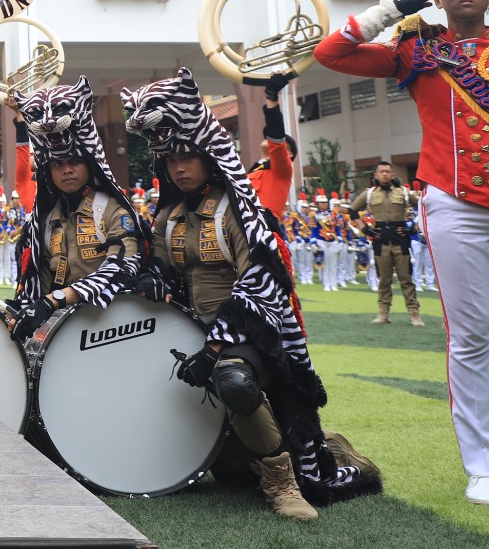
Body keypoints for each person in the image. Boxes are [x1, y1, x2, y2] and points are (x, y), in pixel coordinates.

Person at [314, 0, 489, 505]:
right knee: (471, 334)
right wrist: (395, 7)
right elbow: (330, 53)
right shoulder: (415, 51)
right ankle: (483, 467)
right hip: (455, 202)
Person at [124, 67, 381, 521]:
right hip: (190, 331)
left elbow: (260, 283)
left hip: (250, 335)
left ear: (208, 155)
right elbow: (162, 268)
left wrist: (217, 344)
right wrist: (152, 277)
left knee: (232, 380)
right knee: (229, 471)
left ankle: (283, 486)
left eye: (188, 157)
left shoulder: (239, 212)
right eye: (170, 160)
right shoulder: (167, 215)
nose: (179, 167)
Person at [4, 79, 143, 343]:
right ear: (48, 170)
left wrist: (56, 299)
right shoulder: (43, 221)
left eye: (76, 162)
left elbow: (123, 267)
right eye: (58, 164)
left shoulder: (112, 210)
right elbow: (40, 278)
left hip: (113, 329)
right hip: (62, 335)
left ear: (90, 165)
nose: (67, 169)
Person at [247, 73, 296, 218]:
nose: (269, 139)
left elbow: (276, 137)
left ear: (289, 154)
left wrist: (271, 96)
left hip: (264, 232)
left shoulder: (282, 170)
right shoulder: (253, 172)